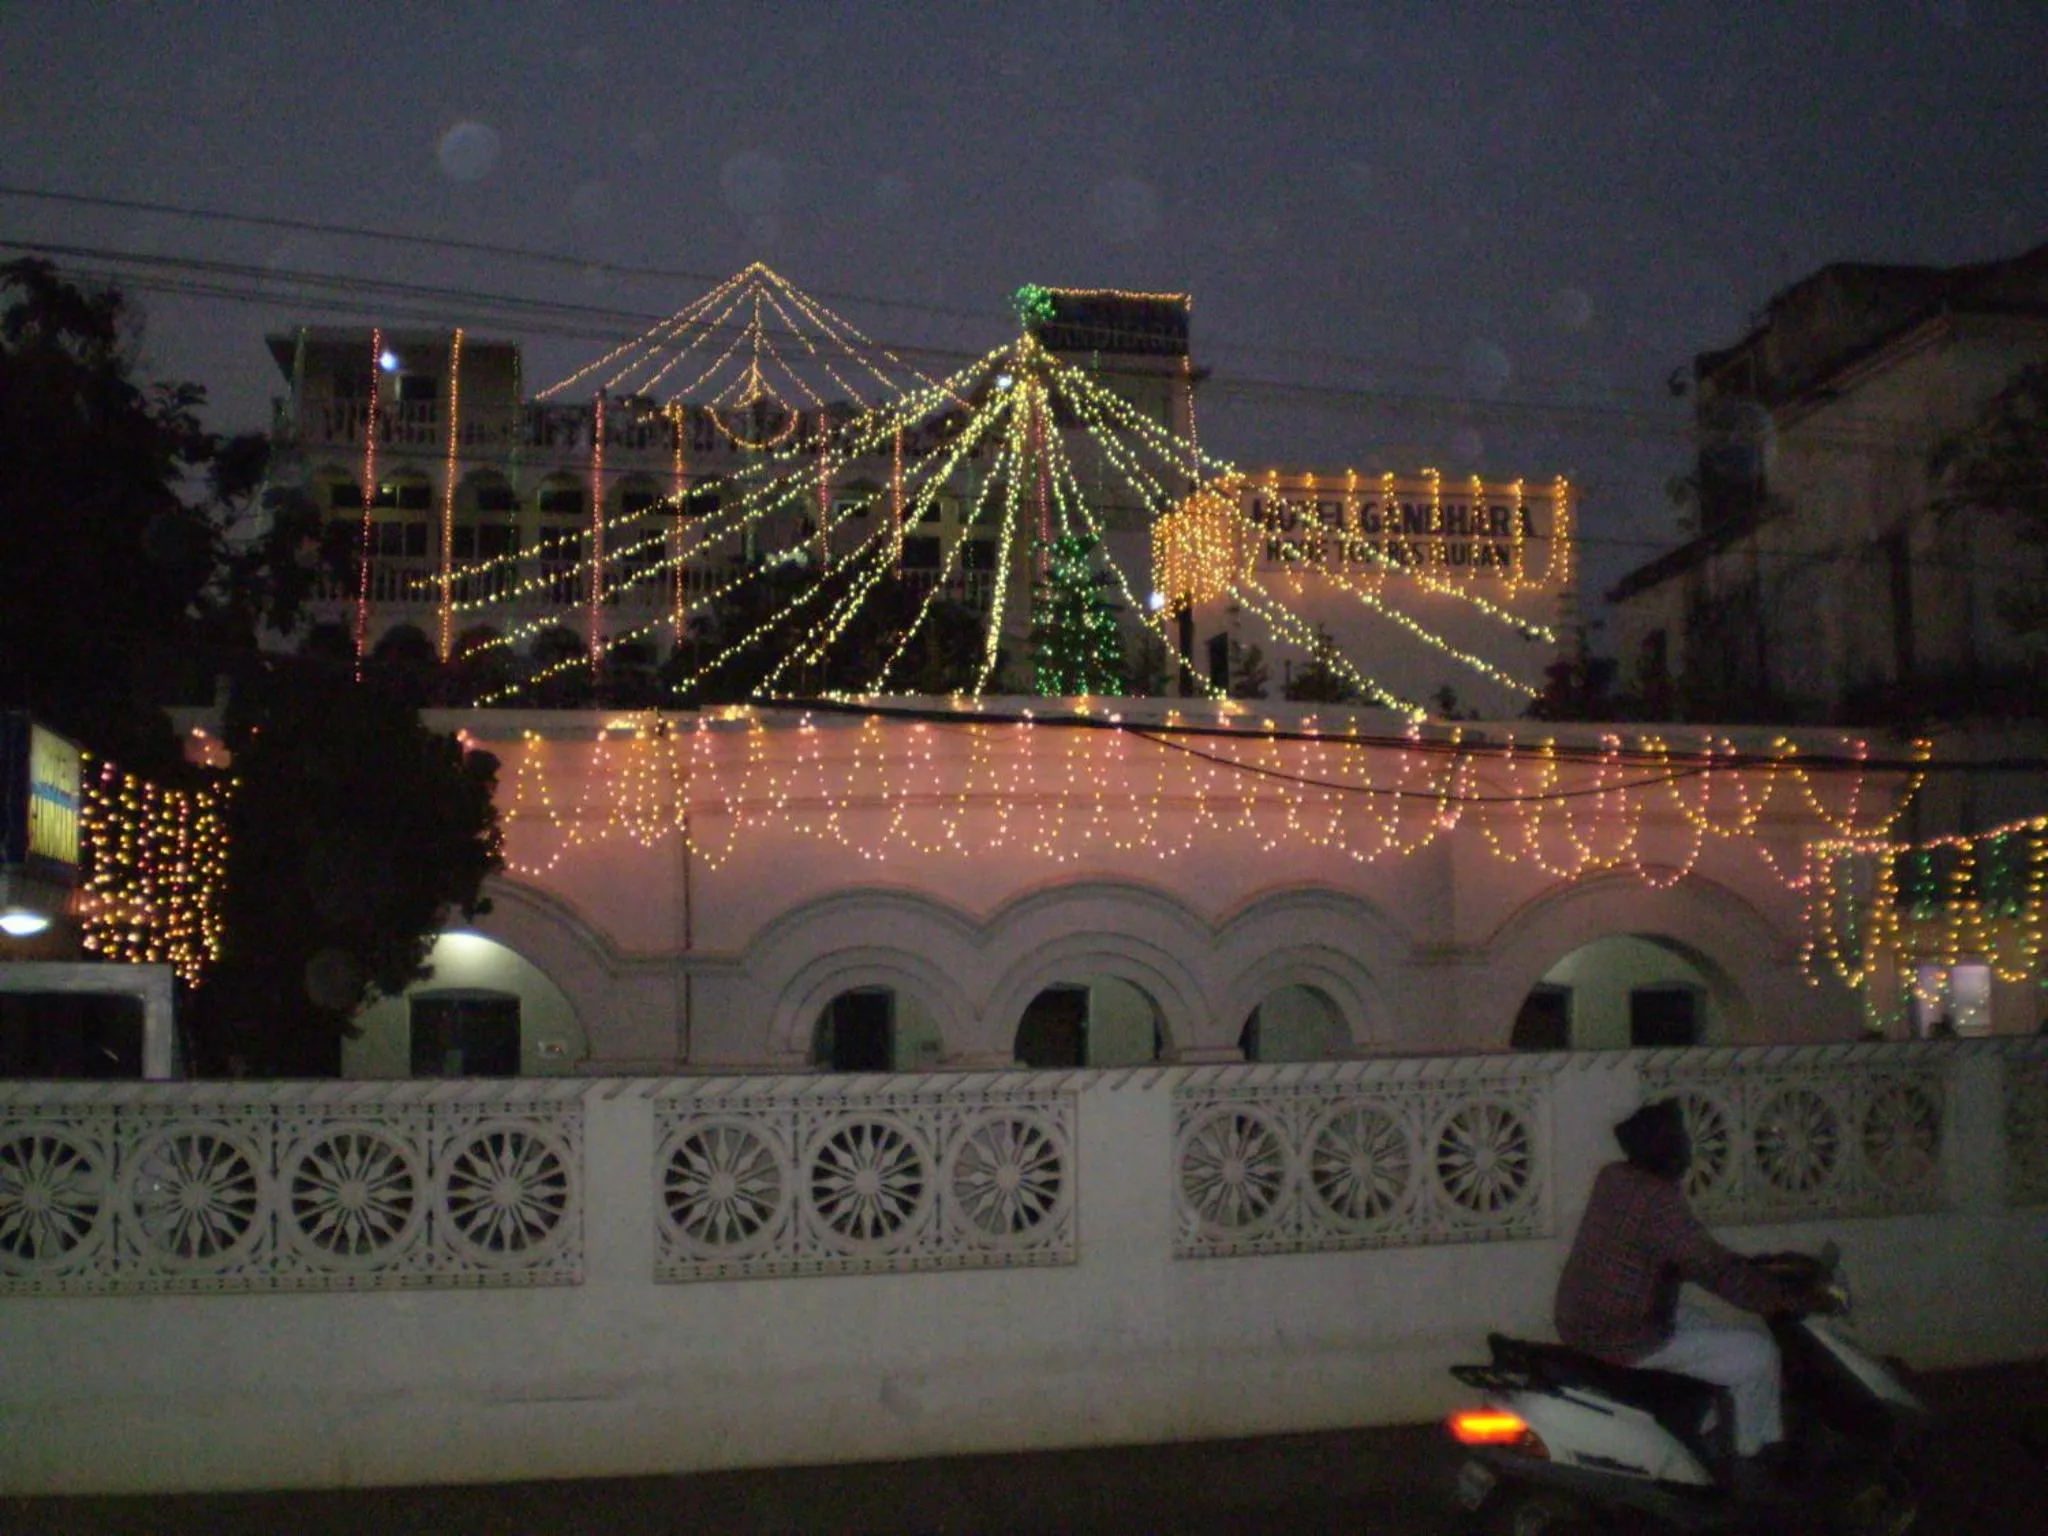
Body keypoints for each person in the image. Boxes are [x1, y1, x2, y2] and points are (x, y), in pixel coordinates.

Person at [1554, 1098, 1810, 1469]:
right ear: (1664, 1149)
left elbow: (1669, 1252)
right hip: (1625, 1333)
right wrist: (1780, 1297)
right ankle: (1751, 1459)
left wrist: (1744, 1267)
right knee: (1759, 1354)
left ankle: (1706, 1421)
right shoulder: (1658, 1201)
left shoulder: (1614, 1178)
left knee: (1707, 1325)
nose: (1687, 1151)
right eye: (1680, 1141)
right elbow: (1712, 1269)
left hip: (1586, 1318)